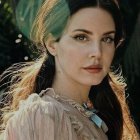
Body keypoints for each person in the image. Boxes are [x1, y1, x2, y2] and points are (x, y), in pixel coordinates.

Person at [0, 0, 139, 139]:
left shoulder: (92, 118)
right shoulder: (46, 115)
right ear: (52, 44)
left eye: (107, 39)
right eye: (81, 37)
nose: (97, 52)